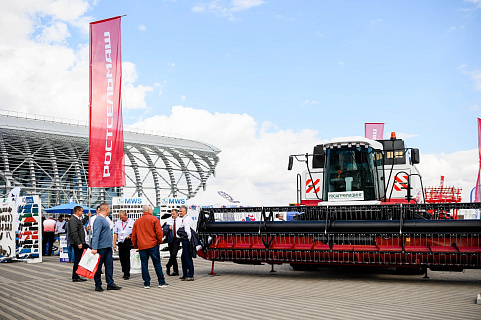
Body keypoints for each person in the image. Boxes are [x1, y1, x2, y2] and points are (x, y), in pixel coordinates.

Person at [131, 204, 169, 289]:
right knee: (157, 263)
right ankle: (161, 281)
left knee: (144, 264)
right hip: (152, 244)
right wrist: (159, 241)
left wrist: (136, 245)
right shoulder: (154, 219)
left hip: (142, 246)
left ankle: (146, 283)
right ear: (149, 210)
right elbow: (159, 232)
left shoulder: (137, 221)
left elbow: (134, 235)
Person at [91, 203, 122, 292]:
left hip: (107, 246)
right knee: (98, 266)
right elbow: (96, 234)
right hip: (101, 247)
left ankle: (110, 283)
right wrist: (94, 247)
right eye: (109, 208)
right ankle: (98, 284)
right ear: (106, 209)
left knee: (109, 265)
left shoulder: (104, 219)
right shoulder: (99, 220)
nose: (110, 210)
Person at [68, 206, 90, 282]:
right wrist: (78, 242)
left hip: (81, 242)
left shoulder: (77, 219)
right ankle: (75, 276)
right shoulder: (73, 220)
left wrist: (87, 217)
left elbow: (81, 223)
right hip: (78, 243)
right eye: (81, 211)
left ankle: (77, 275)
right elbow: (74, 232)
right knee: (78, 259)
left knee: (80, 258)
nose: (82, 213)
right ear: (77, 211)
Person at [113, 210, 134, 280]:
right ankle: (123, 270)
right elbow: (115, 233)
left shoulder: (132, 222)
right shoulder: (118, 223)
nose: (121, 219)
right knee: (121, 257)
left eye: (122, 217)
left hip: (127, 241)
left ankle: (127, 272)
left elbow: (135, 232)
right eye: (120, 218)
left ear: (126, 216)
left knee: (127, 257)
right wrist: (114, 244)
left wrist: (130, 236)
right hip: (120, 241)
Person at [178, 205, 195, 281]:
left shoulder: (186, 220)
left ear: (185, 211)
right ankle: (185, 274)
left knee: (187, 257)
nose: (180, 213)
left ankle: (190, 275)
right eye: (179, 211)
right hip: (185, 240)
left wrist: (189, 240)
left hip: (186, 241)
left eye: (181, 211)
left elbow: (188, 231)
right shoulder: (185, 219)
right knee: (183, 257)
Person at [162, 209, 180, 276]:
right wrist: (168, 228)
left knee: (173, 255)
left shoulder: (180, 220)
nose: (172, 215)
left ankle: (168, 265)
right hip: (170, 239)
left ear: (177, 214)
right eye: (172, 214)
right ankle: (176, 271)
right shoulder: (169, 220)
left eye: (174, 214)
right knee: (172, 255)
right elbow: (164, 229)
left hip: (177, 239)